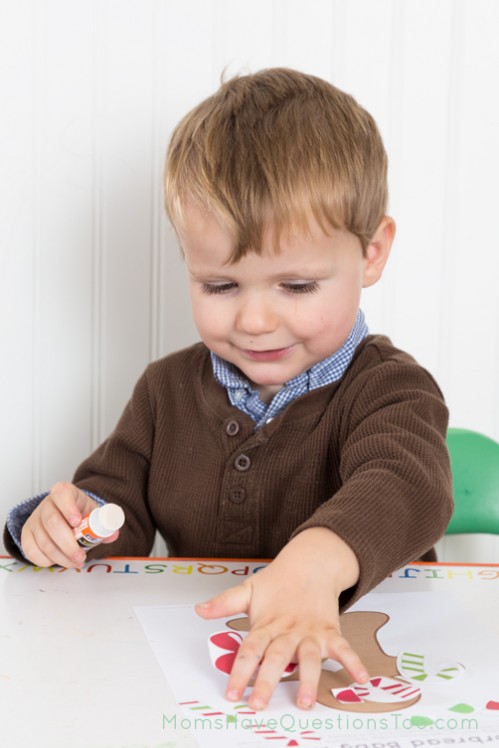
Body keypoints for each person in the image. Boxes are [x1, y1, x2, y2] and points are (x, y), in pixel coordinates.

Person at [4, 68, 453, 711]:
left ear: (372, 252)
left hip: (361, 664)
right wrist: (68, 526)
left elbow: (407, 482)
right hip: (209, 666)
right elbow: (115, 509)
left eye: (296, 287)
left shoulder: (393, 389)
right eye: (220, 287)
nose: (254, 321)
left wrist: (314, 567)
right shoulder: (165, 391)